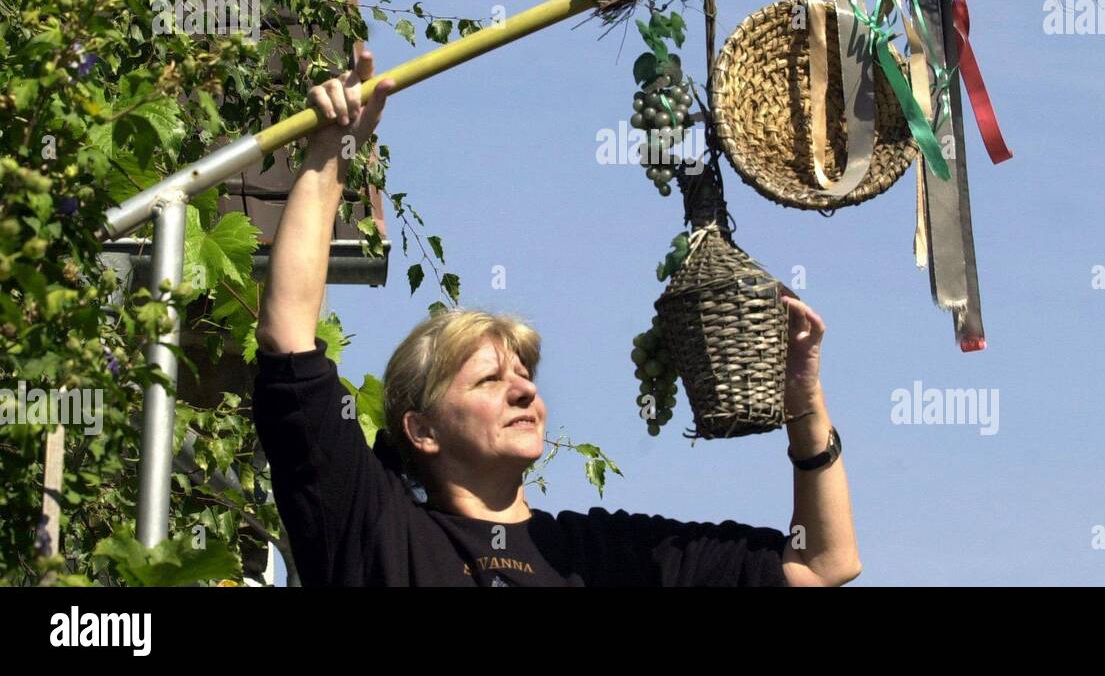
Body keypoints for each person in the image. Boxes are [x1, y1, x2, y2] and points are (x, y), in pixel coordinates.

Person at [252, 50, 861, 587]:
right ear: (422, 431)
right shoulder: (375, 529)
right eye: (489, 381)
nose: (524, 390)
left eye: (523, 377)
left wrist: (804, 406)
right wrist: (331, 151)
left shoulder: (599, 555)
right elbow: (288, 338)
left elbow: (820, 565)